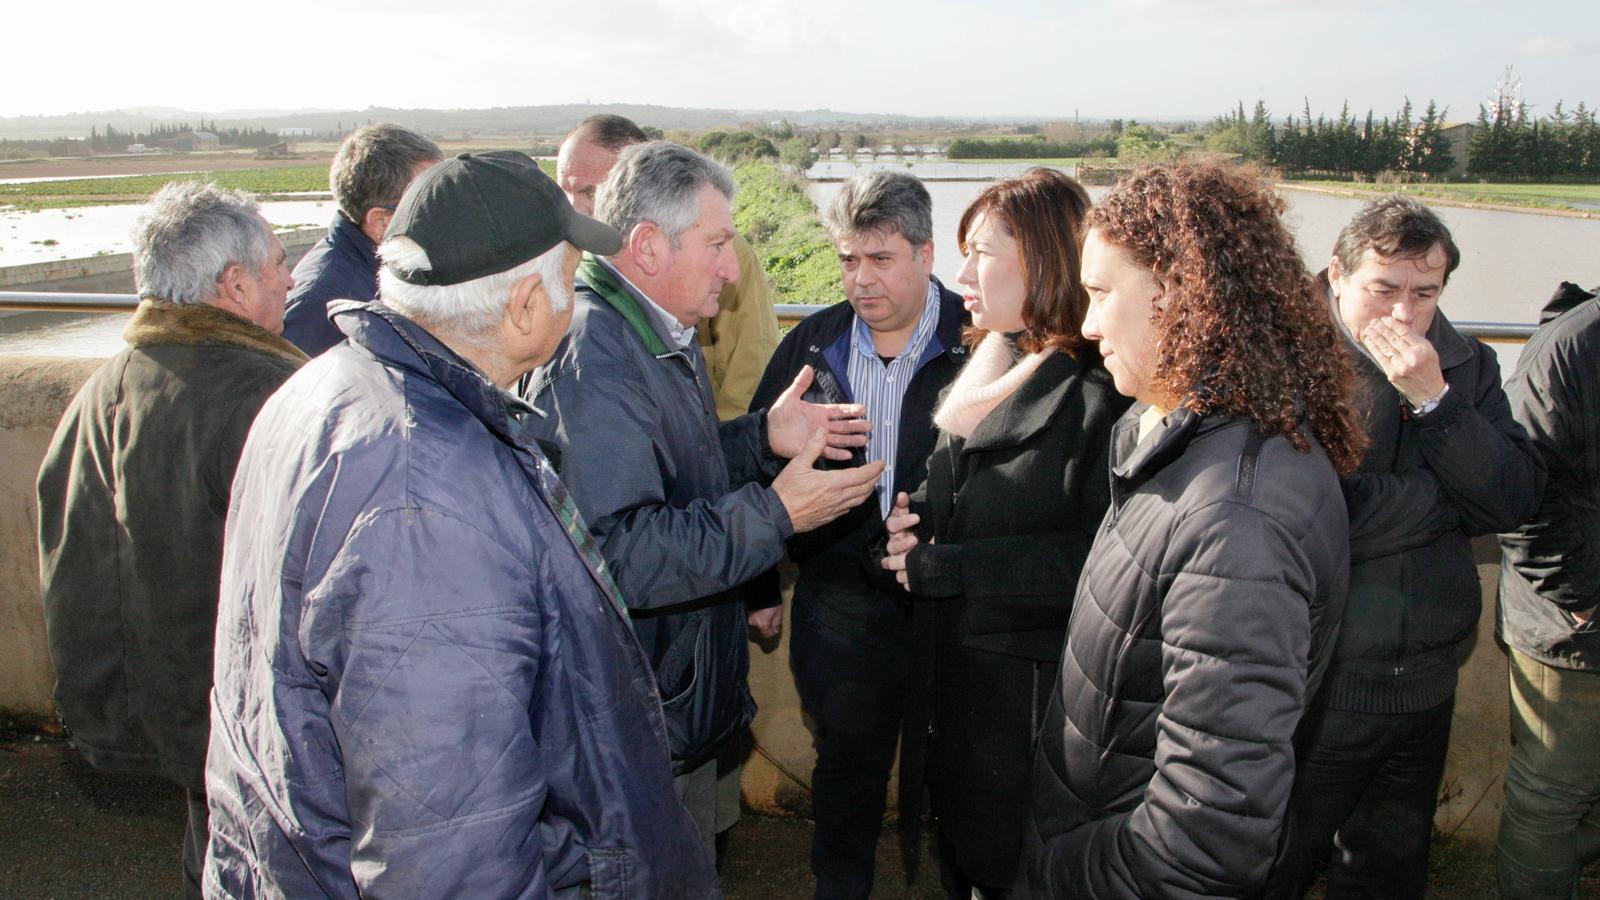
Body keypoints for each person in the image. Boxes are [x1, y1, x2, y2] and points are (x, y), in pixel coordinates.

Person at [204, 151, 718, 898]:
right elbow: (448, 848)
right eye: (570, 278)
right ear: (524, 309)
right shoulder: (430, 498)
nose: (576, 299)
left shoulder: (323, 389)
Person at [524, 141, 884, 862]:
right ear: (649, 246)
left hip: (668, 700)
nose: (731, 264)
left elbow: (671, 471)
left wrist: (759, 438)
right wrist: (777, 514)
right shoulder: (597, 355)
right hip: (641, 716)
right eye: (717, 243)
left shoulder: (655, 331)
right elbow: (617, 554)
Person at [1025, 163, 1367, 897]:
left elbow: (1205, 841)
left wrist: (1061, 872)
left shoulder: (1238, 517)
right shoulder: (1180, 442)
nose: (1086, 325)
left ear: (1177, 295)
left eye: (1100, 293)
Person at [1268, 196, 1545, 900]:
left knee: (1389, 871)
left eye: (1425, 293)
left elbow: (1512, 500)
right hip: (1316, 680)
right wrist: (1450, 500)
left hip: (1424, 678)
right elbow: (1314, 517)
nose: (1403, 315)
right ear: (1335, 274)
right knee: (1276, 862)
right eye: (1383, 289)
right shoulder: (1287, 366)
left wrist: (1436, 404)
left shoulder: (1466, 365)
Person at [36, 181, 306, 899]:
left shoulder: (108, 383)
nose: (291, 277)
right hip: (250, 723)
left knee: (214, 858)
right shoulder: (269, 395)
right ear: (235, 283)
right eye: (279, 262)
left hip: (166, 710)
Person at [879, 168, 1131, 897]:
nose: (961, 274)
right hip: (959, 704)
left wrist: (951, 567)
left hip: (1031, 717)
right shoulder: (991, 367)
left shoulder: (1099, 398)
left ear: (1047, 260)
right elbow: (956, 495)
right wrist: (910, 524)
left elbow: (1101, 565)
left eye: (981, 253)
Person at [748, 169, 969, 899]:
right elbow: (758, 459)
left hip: (948, 602)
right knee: (846, 764)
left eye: (881, 259)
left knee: (961, 766)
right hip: (839, 599)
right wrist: (758, 582)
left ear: (926, 254)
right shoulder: (813, 347)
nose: (860, 280)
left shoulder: (976, 345)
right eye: (848, 260)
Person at [557, 114, 780, 419]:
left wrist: (729, 450)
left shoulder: (724, 257)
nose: (574, 208)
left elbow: (749, 372)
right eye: (564, 191)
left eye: (589, 192)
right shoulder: (557, 256)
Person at [1495, 280, 1600, 899]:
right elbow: (1523, 492)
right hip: (1575, 627)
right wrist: (1583, 599)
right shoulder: (1572, 345)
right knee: (1550, 798)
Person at [282, 123, 441, 355]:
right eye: (432, 202)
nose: (447, 212)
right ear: (381, 222)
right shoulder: (319, 308)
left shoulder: (390, 264)